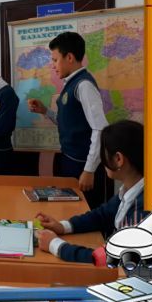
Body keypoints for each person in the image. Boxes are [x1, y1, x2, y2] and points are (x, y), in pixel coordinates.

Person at [35, 120, 148, 264]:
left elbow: (112, 258)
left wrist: (54, 245)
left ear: (118, 159)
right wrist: (63, 226)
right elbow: (101, 215)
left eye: (103, 153)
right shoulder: (130, 189)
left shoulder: (144, 207)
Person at [27, 31, 111, 209]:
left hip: (82, 165)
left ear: (70, 57)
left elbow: (100, 129)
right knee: (71, 211)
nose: (53, 65)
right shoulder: (71, 83)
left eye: (55, 60)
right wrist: (45, 111)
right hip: (69, 160)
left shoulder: (84, 85)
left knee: (86, 213)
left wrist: (89, 170)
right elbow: (69, 122)